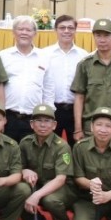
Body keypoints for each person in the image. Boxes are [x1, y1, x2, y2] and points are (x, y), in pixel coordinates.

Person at [71, 18, 111, 142]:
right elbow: (79, 97)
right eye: (98, 35)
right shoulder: (85, 65)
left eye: (106, 35)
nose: (102, 40)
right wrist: (78, 128)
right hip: (92, 128)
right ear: (94, 37)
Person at [19, 104, 73, 220]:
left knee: (50, 200)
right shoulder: (25, 143)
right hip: (36, 183)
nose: (43, 125)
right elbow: (17, 167)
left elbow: (61, 179)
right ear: (32, 124)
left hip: (58, 187)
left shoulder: (62, 146)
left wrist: (37, 195)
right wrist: (24, 170)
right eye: (39, 121)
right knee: (18, 190)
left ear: (54, 125)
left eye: (47, 121)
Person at [40, 14, 86, 143]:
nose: (66, 31)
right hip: (51, 109)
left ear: (75, 30)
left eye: (70, 28)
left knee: (76, 150)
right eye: (62, 28)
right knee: (49, 150)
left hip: (75, 111)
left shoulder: (83, 56)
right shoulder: (44, 54)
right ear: (56, 30)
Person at [0, 14, 45, 142]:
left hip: (34, 119)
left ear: (35, 33)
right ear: (13, 32)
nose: (24, 33)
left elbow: (48, 89)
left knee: (31, 159)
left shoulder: (44, 57)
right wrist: (0, 117)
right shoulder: (3, 56)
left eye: (28, 30)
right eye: (20, 29)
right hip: (9, 117)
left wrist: (45, 117)